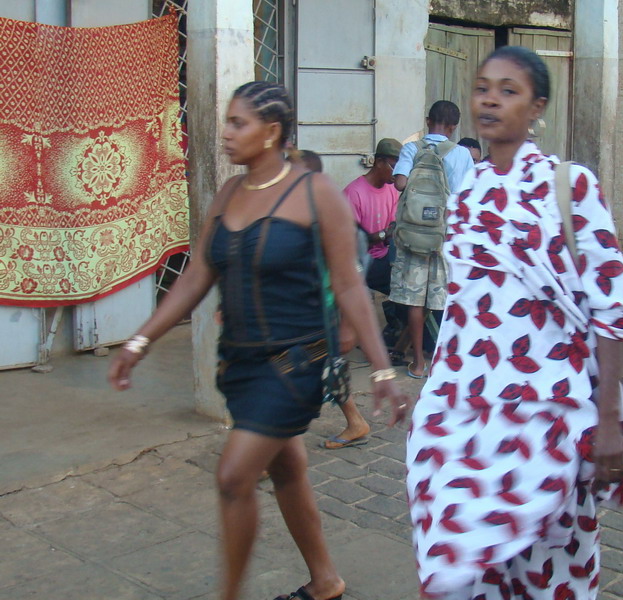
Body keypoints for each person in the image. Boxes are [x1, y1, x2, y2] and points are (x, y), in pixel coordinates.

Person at [108, 81, 408, 600]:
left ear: (271, 132)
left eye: (237, 123)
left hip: (294, 364)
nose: (225, 132)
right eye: (227, 121)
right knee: (287, 467)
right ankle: (326, 581)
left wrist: (381, 368)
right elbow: (197, 275)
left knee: (232, 477)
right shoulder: (229, 194)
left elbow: (349, 285)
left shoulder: (315, 193)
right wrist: (140, 341)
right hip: (240, 364)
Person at [405, 46, 623, 599]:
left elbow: (612, 305)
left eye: (508, 91)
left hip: (553, 414)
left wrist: (608, 419)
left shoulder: (570, 186)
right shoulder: (468, 194)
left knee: (550, 567)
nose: (490, 99)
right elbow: (463, 312)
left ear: (537, 108)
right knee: (460, 558)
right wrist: (435, 397)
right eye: (483, 87)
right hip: (471, 413)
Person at [288, 147, 374, 450]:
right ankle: (355, 422)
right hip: (299, 310)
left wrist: (348, 325)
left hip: (322, 312)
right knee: (321, 370)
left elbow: (353, 273)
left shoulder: (329, 216)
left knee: (300, 375)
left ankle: (275, 448)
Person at [391, 100, 472, 379]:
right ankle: (444, 359)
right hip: (444, 237)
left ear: (428, 121)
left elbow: (400, 183)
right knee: (445, 299)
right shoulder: (461, 154)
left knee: (415, 301)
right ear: (454, 127)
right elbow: (466, 197)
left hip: (413, 234)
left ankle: (418, 363)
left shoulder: (411, 149)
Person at [343, 138, 402, 296]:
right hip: (361, 262)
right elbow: (350, 242)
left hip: (383, 257)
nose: (398, 173)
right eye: (394, 166)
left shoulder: (392, 190)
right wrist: (383, 234)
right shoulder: (353, 193)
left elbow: (393, 226)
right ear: (380, 162)